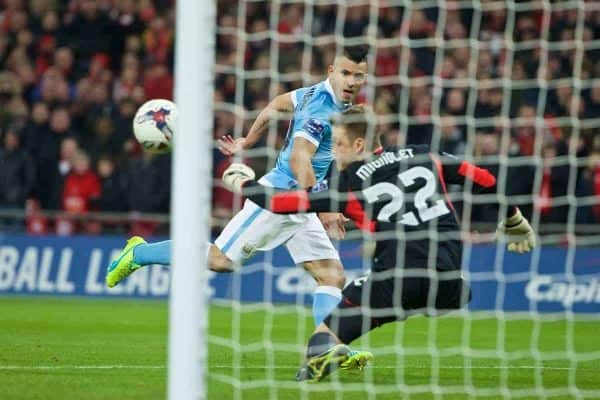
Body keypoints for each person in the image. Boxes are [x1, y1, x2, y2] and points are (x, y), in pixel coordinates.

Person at [222, 105, 536, 382]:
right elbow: (485, 180)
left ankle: (315, 367)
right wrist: (513, 220)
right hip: (449, 282)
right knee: (456, 289)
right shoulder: (425, 154)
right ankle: (433, 300)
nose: (335, 152)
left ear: (359, 144)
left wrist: (243, 182)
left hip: (394, 281)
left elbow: (281, 204)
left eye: (340, 144)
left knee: (323, 337)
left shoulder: (348, 185)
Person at [106, 46, 370, 327]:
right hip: (279, 197)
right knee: (220, 260)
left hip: (303, 203)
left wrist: (248, 140)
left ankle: (327, 346)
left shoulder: (311, 94)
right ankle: (138, 253)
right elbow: (298, 157)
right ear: (331, 72)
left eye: (359, 76)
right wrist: (325, 208)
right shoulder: (320, 108)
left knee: (332, 275)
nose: (352, 82)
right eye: (345, 73)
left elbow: (275, 106)